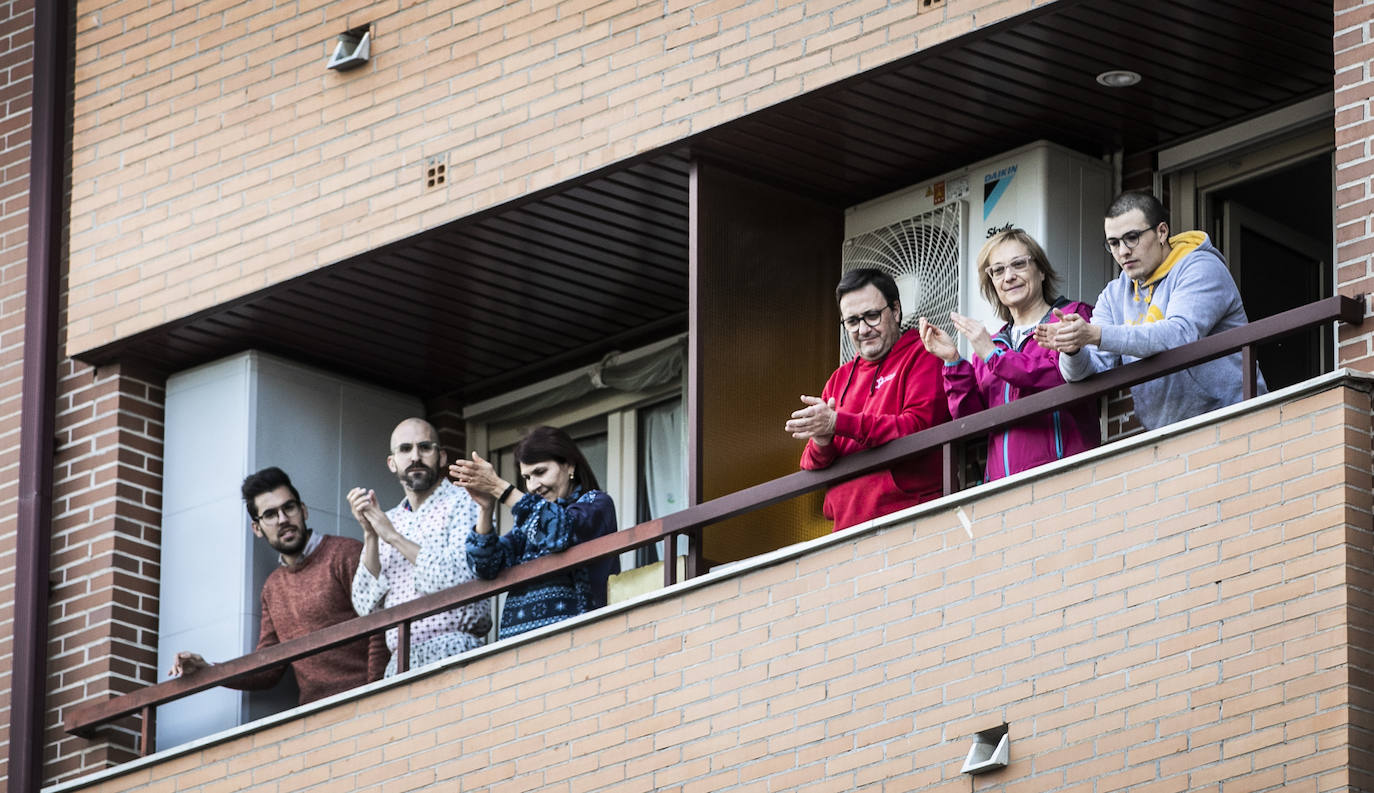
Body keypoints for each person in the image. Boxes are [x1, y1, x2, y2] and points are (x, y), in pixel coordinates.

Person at [1038, 191, 1265, 430]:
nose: (1123, 251)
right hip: (1166, 435)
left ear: (1162, 232)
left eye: (1132, 237)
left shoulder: (1200, 267)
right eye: (1114, 243)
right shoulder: (1113, 295)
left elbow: (1178, 335)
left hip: (1236, 420)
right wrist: (1073, 350)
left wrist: (1095, 334)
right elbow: (1086, 372)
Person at [168, 467, 380, 704]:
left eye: (288, 508)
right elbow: (268, 668)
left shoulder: (345, 554)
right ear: (256, 528)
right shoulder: (272, 589)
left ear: (304, 510)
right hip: (316, 717)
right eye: (270, 514)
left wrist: (373, 694)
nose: (283, 520)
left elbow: (379, 623)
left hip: (366, 702)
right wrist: (207, 670)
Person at [919, 229, 1099, 481]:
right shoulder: (991, 344)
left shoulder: (1070, 316)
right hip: (1004, 491)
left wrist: (995, 357)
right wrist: (953, 362)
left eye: (1019, 264)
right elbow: (972, 423)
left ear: (1041, 270)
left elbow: (1062, 376)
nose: (1009, 277)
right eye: (998, 270)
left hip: (1064, 476)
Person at [785, 268, 951, 531]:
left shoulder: (923, 354)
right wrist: (822, 439)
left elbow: (918, 426)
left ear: (895, 311)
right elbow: (811, 464)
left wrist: (839, 423)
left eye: (871, 316)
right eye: (852, 321)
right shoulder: (838, 379)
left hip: (912, 521)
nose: (863, 329)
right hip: (845, 531)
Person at [349, 418, 491, 676]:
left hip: (455, 649)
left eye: (425, 447)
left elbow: (459, 578)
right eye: (405, 449)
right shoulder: (387, 519)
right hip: (400, 662)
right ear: (392, 463)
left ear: (442, 457)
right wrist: (370, 534)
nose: (415, 456)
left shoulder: (464, 501)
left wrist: (392, 537)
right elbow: (364, 606)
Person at [450, 425, 619, 640]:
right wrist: (486, 508)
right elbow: (484, 567)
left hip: (575, 641)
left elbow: (558, 533)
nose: (533, 486)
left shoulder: (596, 504)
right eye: (527, 477)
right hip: (519, 651)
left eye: (540, 472)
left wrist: (499, 487)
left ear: (569, 465)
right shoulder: (527, 527)